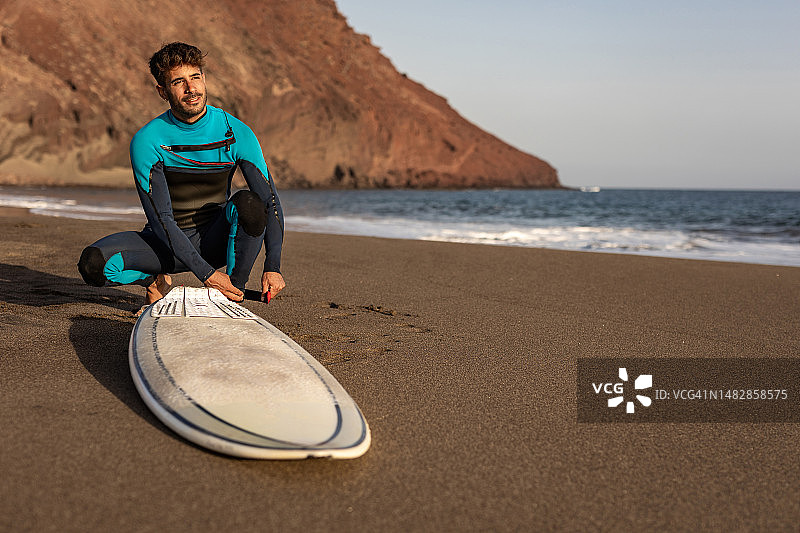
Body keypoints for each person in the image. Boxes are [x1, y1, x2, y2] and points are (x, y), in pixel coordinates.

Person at [77, 42, 285, 307]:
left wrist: (273, 266)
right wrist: (207, 275)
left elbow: (270, 201)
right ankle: (154, 282)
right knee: (93, 264)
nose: (191, 89)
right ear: (162, 92)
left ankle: (231, 293)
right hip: (166, 244)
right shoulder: (149, 140)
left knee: (250, 203)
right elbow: (162, 220)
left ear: (204, 79)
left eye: (195, 77)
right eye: (178, 82)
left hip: (216, 242)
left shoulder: (236, 132)